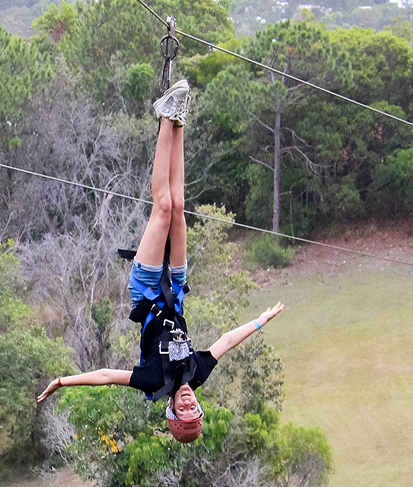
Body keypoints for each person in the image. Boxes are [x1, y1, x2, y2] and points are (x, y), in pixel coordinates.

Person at [35, 79, 285, 443]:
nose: (186, 403)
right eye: (193, 409)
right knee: (180, 208)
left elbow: (106, 376)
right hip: (177, 290)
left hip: (147, 292)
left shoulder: (154, 381)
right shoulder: (197, 373)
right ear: (199, 406)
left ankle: (165, 115)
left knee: (163, 207)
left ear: (171, 410)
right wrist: (261, 321)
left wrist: (63, 381)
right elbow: (227, 342)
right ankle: (177, 121)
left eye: (181, 410)